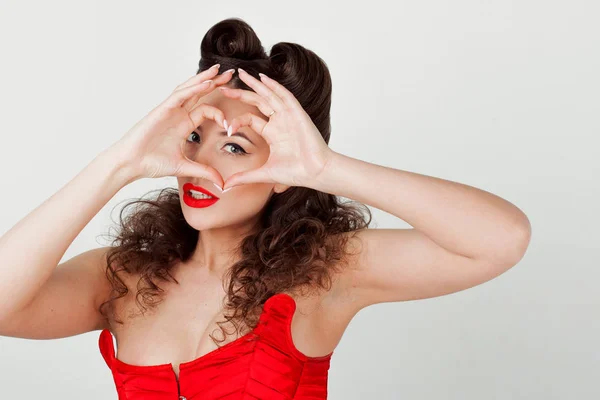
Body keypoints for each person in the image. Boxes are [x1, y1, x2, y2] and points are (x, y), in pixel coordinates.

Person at [0, 17, 531, 400]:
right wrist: (119, 164)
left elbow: (501, 240)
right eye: (193, 136)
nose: (198, 165)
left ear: (284, 169)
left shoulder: (327, 273)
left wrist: (326, 170)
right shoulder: (120, 277)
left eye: (234, 147)